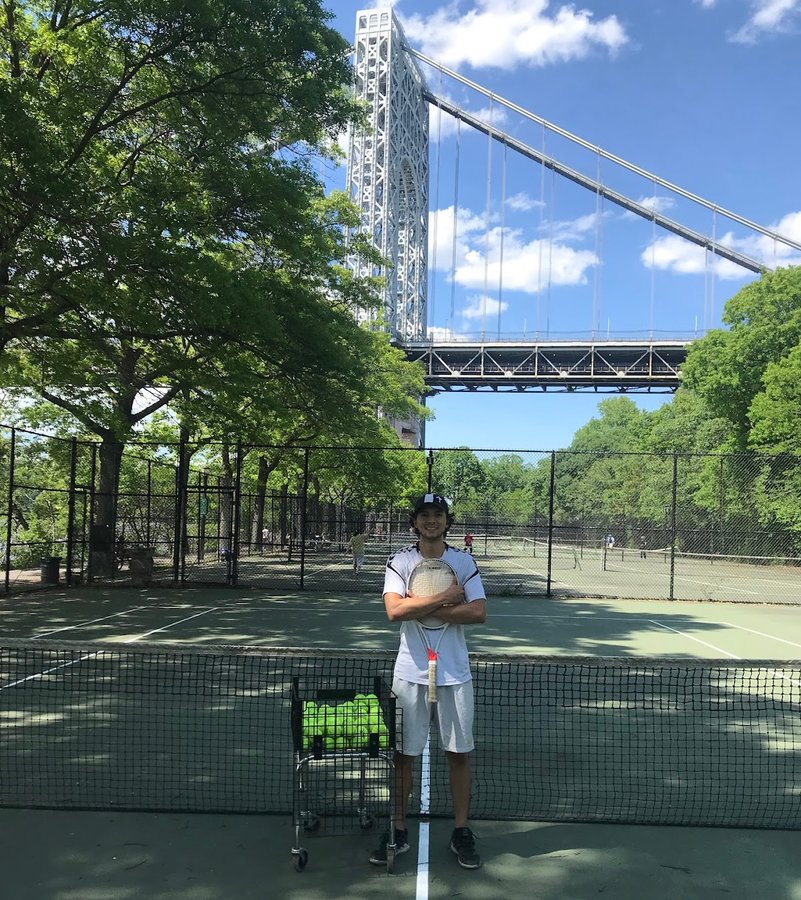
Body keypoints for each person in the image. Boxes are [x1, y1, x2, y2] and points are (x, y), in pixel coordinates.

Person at [370, 493, 486, 871]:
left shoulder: (463, 561)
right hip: (410, 672)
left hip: (455, 673)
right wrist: (448, 598)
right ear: (415, 523)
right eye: (425, 515)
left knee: (458, 755)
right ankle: (398, 828)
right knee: (403, 755)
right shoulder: (400, 561)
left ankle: (461, 830)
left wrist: (424, 603)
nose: (432, 521)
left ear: (447, 522)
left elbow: (478, 612)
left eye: (438, 515)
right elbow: (394, 610)